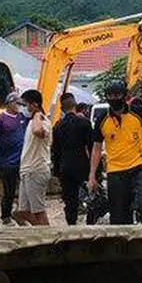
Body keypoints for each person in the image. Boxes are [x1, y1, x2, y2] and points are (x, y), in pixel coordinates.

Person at [88, 81, 142, 225]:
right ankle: (123, 243)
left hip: (140, 166)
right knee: (118, 214)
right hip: (116, 170)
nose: (114, 99)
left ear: (125, 96)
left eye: (117, 95)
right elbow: (97, 148)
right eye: (110, 96)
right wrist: (92, 175)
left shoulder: (138, 112)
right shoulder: (102, 120)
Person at [51, 93, 92, 226]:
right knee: (91, 196)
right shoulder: (84, 123)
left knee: (70, 200)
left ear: (62, 109)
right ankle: (91, 222)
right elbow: (92, 148)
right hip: (82, 165)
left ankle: (71, 225)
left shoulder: (58, 127)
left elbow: (55, 151)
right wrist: (95, 171)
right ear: (75, 105)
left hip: (65, 166)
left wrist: (56, 171)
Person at [0, 92, 27, 226]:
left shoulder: (22, 117)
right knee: (9, 191)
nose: (19, 106)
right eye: (17, 103)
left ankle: (21, 214)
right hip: (7, 162)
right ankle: (5, 216)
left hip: (22, 161)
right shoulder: (0, 120)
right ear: (10, 103)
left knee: (25, 191)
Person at [14, 90, 52, 226]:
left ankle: (50, 240)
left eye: (26, 104)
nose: (24, 108)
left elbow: (38, 132)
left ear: (34, 104)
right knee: (23, 211)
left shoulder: (41, 120)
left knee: (38, 211)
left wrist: (37, 114)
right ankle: (43, 233)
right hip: (27, 170)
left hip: (36, 170)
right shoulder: (32, 121)